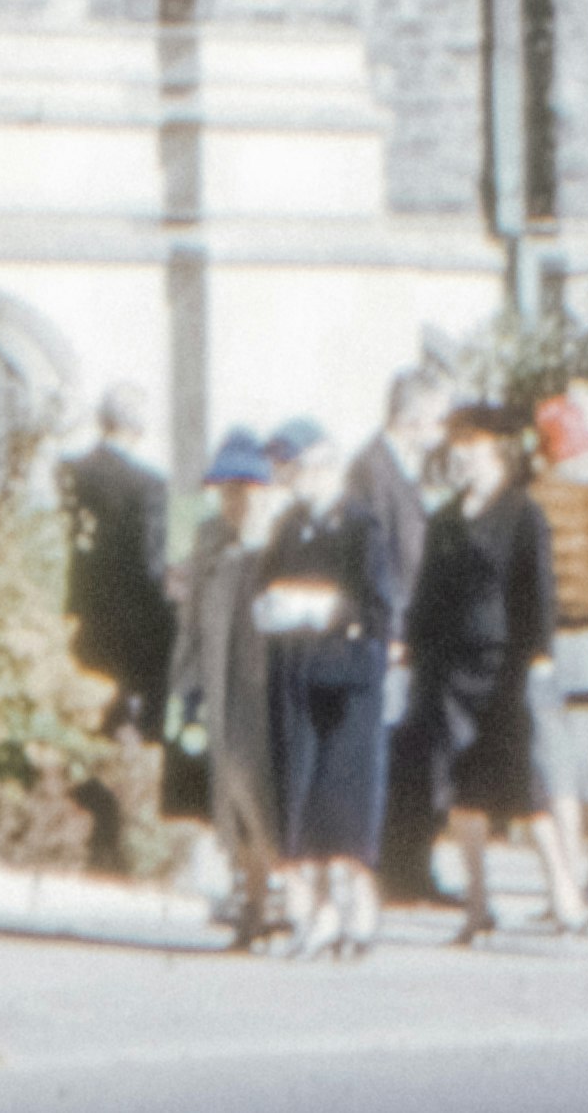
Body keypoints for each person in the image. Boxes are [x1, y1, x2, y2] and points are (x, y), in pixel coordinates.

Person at [399, 398, 569, 938]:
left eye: (470, 445)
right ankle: (478, 905)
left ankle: (565, 892)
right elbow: (427, 592)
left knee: (523, 784)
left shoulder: (523, 513)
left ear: (496, 448)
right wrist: (411, 646)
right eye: (457, 445)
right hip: (449, 670)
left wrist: (539, 656)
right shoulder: (448, 516)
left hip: (503, 666)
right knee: (460, 792)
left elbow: (538, 590)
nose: (460, 455)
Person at [246, 391, 408, 953]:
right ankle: (314, 912)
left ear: (326, 465)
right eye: (287, 471)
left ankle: (356, 905)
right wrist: (271, 608)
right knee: (300, 794)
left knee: (344, 798)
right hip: (295, 674)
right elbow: (265, 586)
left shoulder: (360, 526)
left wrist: (323, 610)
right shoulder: (290, 526)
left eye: (300, 469)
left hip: (345, 679)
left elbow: (379, 608)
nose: (293, 481)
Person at [181, 426, 296, 942]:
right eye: (225, 490)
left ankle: (277, 895)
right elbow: (191, 618)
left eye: (244, 489)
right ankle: (251, 899)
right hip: (218, 678)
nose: (233, 501)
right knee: (229, 789)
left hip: (263, 680)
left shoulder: (277, 540)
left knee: (259, 786)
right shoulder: (208, 538)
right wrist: (184, 684)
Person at [59, 388, 176, 793]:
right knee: (134, 720)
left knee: (87, 717)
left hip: (83, 617)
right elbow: (151, 563)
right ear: (137, 427)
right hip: (137, 627)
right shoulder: (149, 486)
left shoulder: (69, 473)